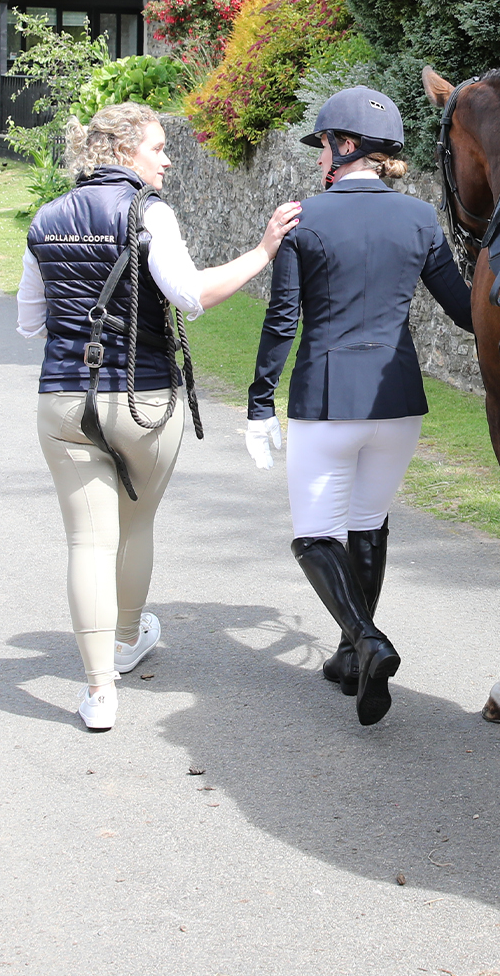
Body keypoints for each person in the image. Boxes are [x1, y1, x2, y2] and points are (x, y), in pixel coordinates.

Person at [19, 102, 299, 731]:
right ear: (123, 152)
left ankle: (98, 693)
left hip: (64, 399)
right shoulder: (148, 211)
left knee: (88, 541)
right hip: (143, 401)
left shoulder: (46, 216)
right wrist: (262, 251)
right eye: (158, 148)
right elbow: (190, 294)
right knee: (135, 524)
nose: (167, 159)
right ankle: (125, 642)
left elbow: (30, 321)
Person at [247, 86, 475, 726]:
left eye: (324, 142)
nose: (321, 153)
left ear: (345, 146)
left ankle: (367, 640)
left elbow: (284, 318)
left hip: (325, 399)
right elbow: (465, 311)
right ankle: (351, 657)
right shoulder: (423, 219)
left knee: (314, 535)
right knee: (368, 524)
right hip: (397, 400)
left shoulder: (301, 218)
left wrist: (260, 400)